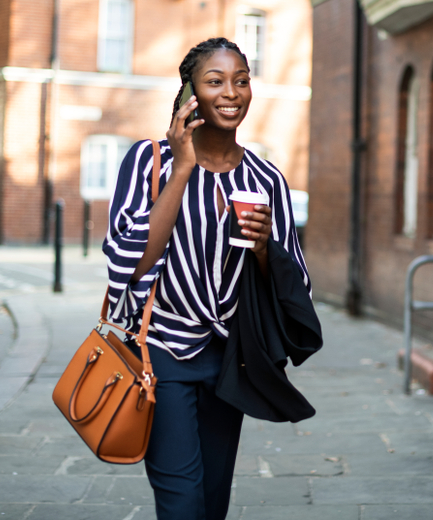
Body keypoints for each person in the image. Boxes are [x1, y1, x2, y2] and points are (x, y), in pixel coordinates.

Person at [102, 37, 310, 520]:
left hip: (230, 359)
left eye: (241, 81)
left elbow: (295, 283)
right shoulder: (149, 161)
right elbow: (126, 267)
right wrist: (182, 168)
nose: (231, 92)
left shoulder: (266, 179)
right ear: (190, 93)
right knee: (183, 502)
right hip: (162, 352)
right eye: (215, 81)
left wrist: (263, 249)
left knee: (213, 501)